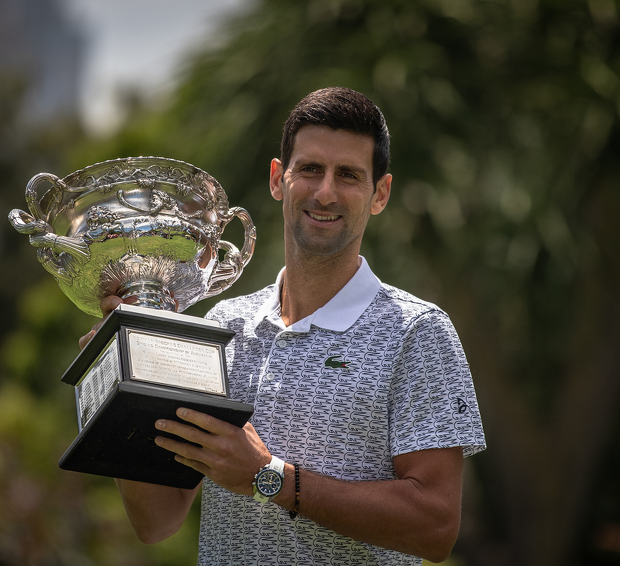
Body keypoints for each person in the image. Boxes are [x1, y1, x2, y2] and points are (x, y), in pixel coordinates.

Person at [79, 87, 486, 565]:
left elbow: (436, 526)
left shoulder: (418, 333)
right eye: (310, 169)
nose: (326, 192)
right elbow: (157, 522)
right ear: (279, 178)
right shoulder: (222, 326)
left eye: (349, 175)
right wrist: (127, 368)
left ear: (380, 194)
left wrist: (267, 476)